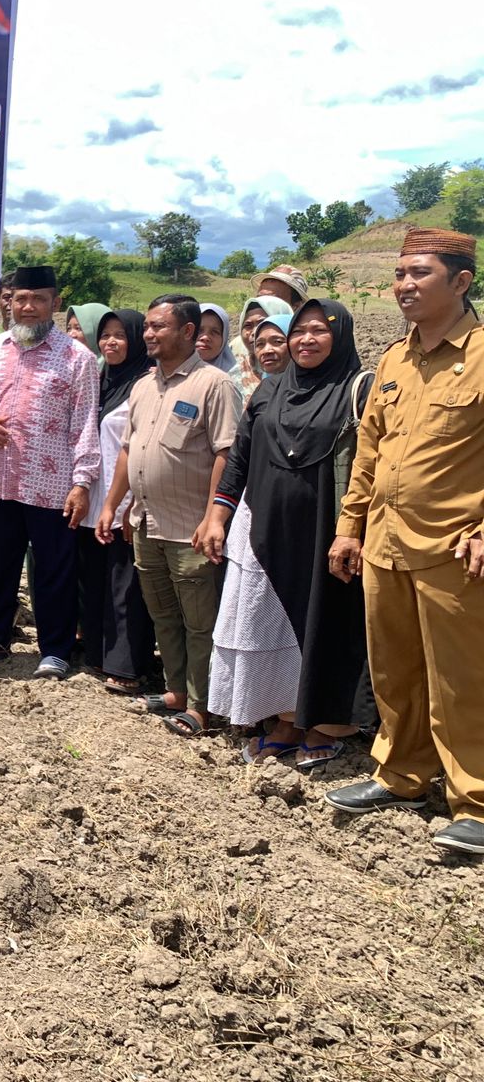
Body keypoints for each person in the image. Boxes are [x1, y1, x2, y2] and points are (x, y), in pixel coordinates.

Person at [325, 229, 484, 855]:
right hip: (385, 545)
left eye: (419, 273)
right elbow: (370, 450)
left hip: (454, 548)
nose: (403, 286)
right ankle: (403, 774)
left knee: (461, 678)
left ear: (462, 281)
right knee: (395, 671)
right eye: (399, 275)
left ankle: (475, 797)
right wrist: (348, 527)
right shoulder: (394, 360)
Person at [196, 299, 370, 766]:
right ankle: (286, 718)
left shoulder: (359, 389)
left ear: (341, 337)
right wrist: (217, 514)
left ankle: (328, 724)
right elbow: (239, 460)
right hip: (266, 531)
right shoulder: (269, 392)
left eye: (319, 331)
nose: (306, 340)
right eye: (300, 331)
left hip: (327, 533)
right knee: (268, 622)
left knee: (325, 622)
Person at [95, 294, 240, 734]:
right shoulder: (144, 385)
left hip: (189, 528)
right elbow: (127, 449)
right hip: (147, 523)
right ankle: (176, 688)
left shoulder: (213, 384)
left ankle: (203, 705)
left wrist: (213, 516)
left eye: (159, 326)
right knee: (163, 613)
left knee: (200, 621)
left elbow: (226, 453)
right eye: (149, 327)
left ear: (188, 333)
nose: (149, 334)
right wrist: (112, 503)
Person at [0, 265, 100, 678]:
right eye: (19, 299)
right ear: (8, 302)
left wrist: (82, 482)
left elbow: (85, 423)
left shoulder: (77, 358)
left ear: (53, 304)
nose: (27, 307)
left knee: (54, 568)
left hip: (51, 483)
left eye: (37, 299)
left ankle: (54, 648)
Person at [80, 309, 158, 692]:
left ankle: (128, 666)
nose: (110, 342)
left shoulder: (148, 384)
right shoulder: (99, 380)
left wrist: (128, 503)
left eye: (120, 335)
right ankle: (97, 653)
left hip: (125, 498)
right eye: (105, 335)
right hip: (92, 497)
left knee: (126, 585)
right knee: (95, 580)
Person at [231, 296, 295, 401]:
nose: (254, 332)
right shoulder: (233, 372)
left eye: (262, 323)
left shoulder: (305, 382)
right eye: (248, 325)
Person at [196, 303, 239, 373]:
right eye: (199, 330)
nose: (205, 337)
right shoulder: (174, 370)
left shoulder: (233, 378)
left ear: (224, 339)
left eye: (215, 332)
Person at [252, 315, 291, 380]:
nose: (266, 350)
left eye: (277, 341)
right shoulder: (265, 387)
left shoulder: (309, 386)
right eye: (260, 344)